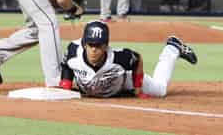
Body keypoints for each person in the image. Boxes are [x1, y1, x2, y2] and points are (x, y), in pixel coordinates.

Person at [59, 20, 198, 98]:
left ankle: (172, 48)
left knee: (161, 90)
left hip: (125, 82)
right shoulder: (73, 52)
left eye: (98, 45)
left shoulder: (119, 57)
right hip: (98, 86)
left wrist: (137, 89)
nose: (94, 49)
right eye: (90, 45)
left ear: (106, 45)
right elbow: (66, 65)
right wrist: (65, 84)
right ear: (84, 44)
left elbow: (137, 59)